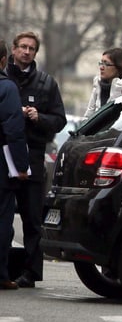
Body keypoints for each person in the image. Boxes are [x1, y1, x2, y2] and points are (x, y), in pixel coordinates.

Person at [4, 31, 66, 288]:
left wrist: (38, 117)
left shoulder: (46, 83)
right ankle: (4, 270)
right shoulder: (3, 78)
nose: (27, 52)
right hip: (5, 156)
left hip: (33, 156)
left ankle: (30, 271)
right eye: (23, 47)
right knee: (4, 218)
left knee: (32, 218)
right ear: (13, 50)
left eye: (32, 49)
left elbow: (59, 120)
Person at [0, 41, 30, 290]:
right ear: (3, 61)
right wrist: (21, 166)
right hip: (1, 167)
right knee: (2, 221)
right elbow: (13, 129)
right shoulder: (6, 88)